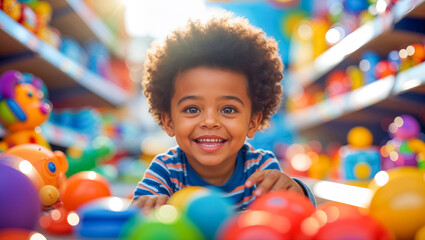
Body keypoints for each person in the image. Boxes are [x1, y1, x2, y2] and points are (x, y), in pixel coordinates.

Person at [132, 12, 315, 212]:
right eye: (192, 109)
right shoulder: (165, 170)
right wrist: (147, 208)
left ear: (253, 122)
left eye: (228, 109)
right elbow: (138, 214)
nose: (210, 121)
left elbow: (287, 214)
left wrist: (297, 192)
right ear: (169, 121)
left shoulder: (261, 168)